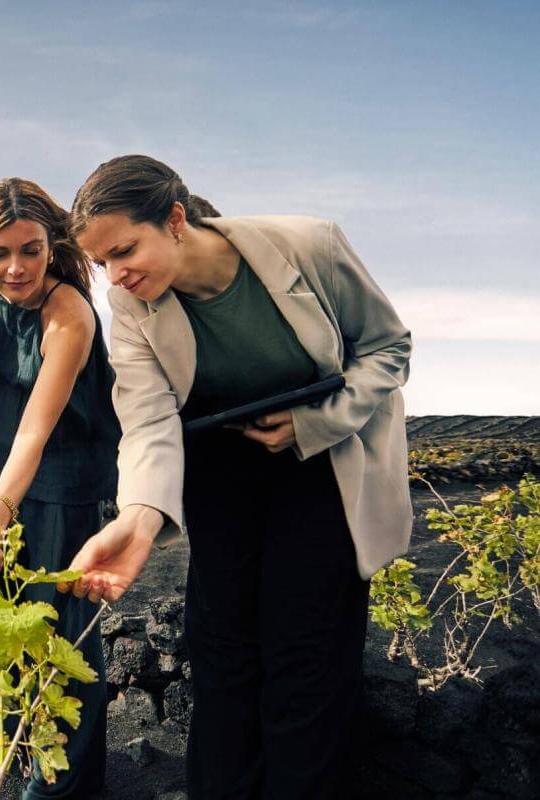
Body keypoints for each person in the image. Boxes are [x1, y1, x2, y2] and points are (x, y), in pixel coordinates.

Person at [60, 154, 413, 798]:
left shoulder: (310, 245)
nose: (116, 273)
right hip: (218, 476)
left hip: (320, 468)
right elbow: (146, 419)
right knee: (221, 658)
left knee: (306, 660)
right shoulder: (130, 306)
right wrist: (139, 518)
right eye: (102, 262)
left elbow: (387, 348)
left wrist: (314, 423)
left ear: (173, 219)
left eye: (125, 249)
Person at [0, 177, 121, 799]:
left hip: (64, 493)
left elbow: (36, 432)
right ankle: (6, 767)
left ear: (53, 246)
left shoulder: (69, 314)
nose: (16, 268)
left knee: (63, 654)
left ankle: (56, 790)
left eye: (31, 250)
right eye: (0, 253)